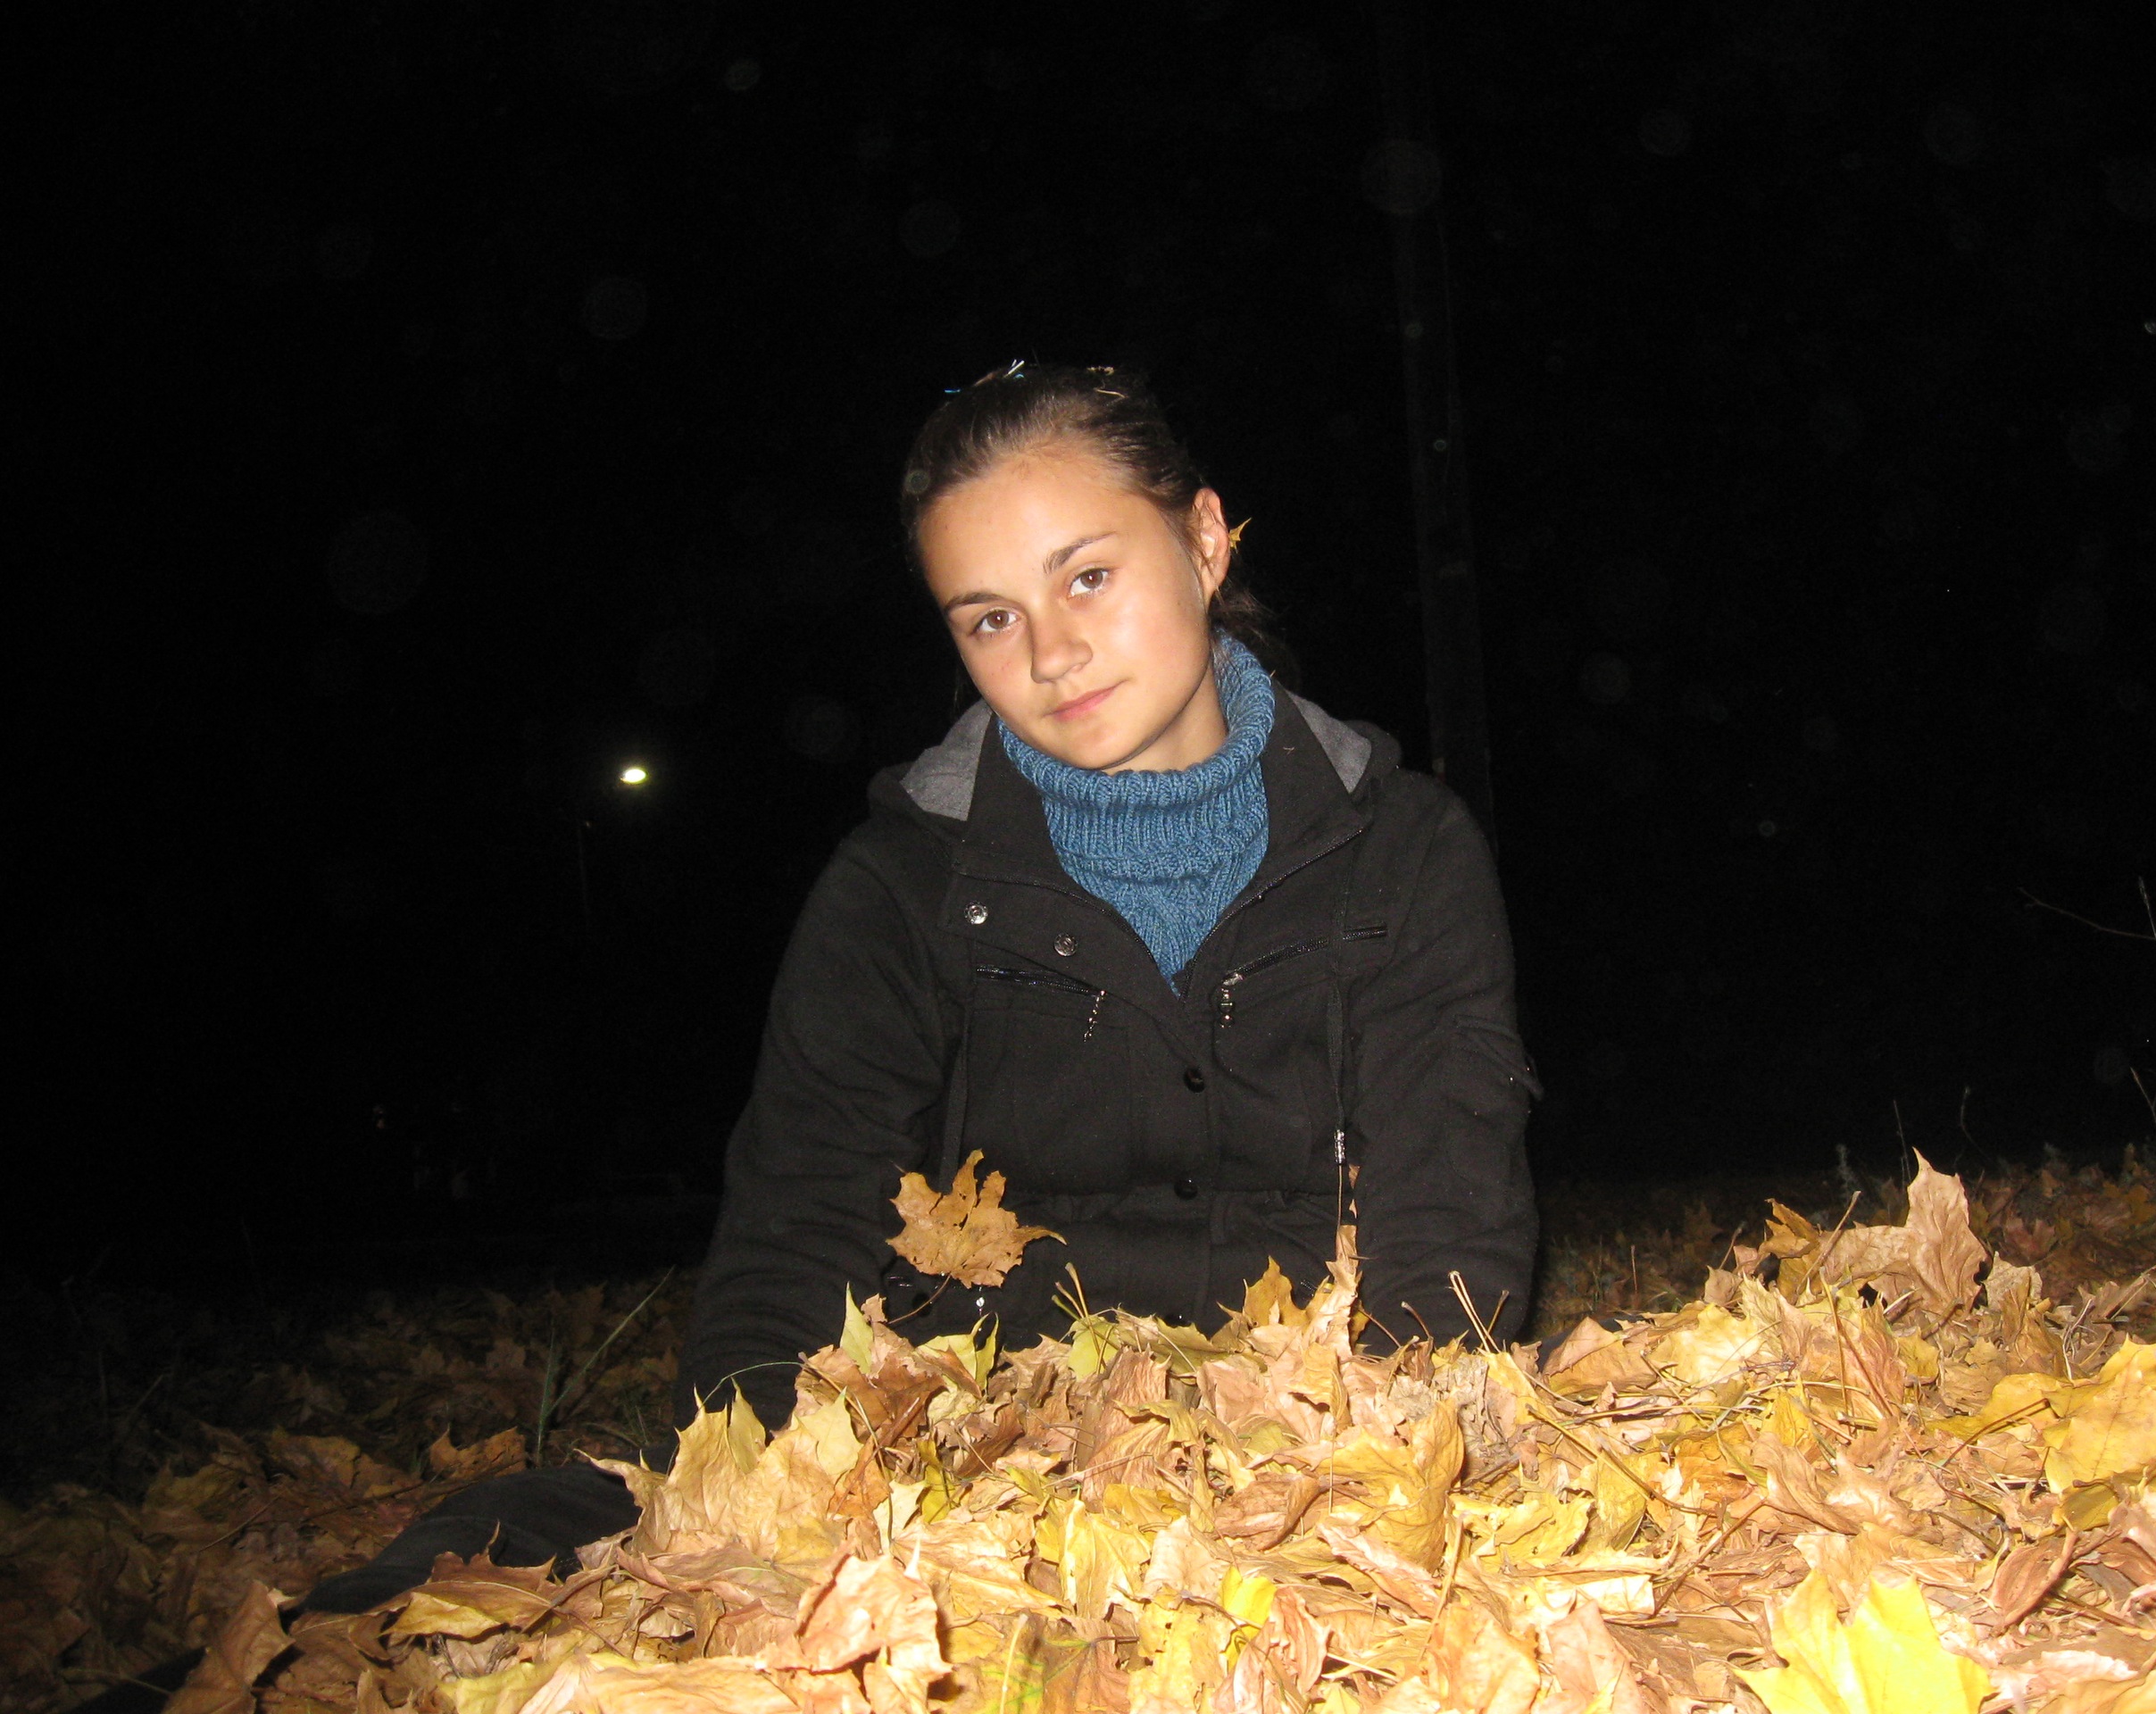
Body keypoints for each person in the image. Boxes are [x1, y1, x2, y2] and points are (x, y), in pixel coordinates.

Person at [301, 360, 1540, 1615]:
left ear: (1206, 541)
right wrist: (762, 1498)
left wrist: (1358, 1482)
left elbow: (1451, 1239)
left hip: (1305, 1443)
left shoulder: (1401, 854)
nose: (1052, 652)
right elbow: (795, 1232)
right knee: (496, 1565)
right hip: (969, 1464)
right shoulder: (900, 890)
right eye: (990, 618)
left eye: (1088, 577)